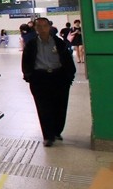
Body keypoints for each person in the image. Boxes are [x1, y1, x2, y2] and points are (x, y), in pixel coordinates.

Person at [21, 17, 76, 147]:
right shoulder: (31, 44)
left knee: (60, 106)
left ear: (49, 27)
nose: (42, 29)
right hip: (40, 78)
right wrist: (29, 76)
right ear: (35, 28)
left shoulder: (59, 42)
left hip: (59, 77)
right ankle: (48, 135)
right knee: (43, 107)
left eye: (45, 26)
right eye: (39, 26)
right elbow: (26, 62)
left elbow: (68, 60)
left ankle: (57, 131)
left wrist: (69, 76)